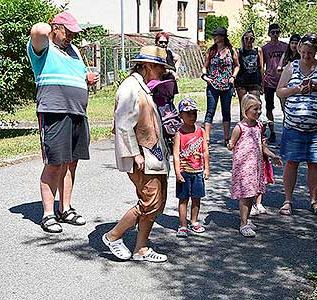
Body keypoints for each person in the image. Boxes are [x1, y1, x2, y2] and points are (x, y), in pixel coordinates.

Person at [27, 11, 99, 233]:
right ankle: (48, 214)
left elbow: (76, 73)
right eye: (67, 31)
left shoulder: (74, 50)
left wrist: (86, 78)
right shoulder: (43, 48)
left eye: (74, 33)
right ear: (55, 28)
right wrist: (51, 27)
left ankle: (64, 208)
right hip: (54, 111)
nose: (71, 37)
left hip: (77, 112)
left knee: (71, 162)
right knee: (55, 163)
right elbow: (37, 30)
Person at [102, 46, 172, 262]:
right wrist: (134, 154)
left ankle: (141, 248)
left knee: (157, 202)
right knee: (149, 201)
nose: (163, 72)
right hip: (142, 156)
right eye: (160, 67)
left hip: (153, 155)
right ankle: (113, 236)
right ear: (148, 66)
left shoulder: (142, 87)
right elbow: (123, 124)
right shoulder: (130, 88)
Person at [276, 33, 317, 217]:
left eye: (309, 53)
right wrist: (296, 89)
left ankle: (314, 201)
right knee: (291, 163)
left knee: (314, 164)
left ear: (316, 51)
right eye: (303, 52)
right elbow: (280, 92)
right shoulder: (291, 67)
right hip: (293, 126)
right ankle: (287, 201)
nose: (305, 56)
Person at [227, 94, 282, 237]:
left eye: (260, 109)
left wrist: (273, 155)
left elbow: (262, 146)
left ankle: (247, 219)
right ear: (246, 109)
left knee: (252, 194)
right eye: (255, 109)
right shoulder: (240, 127)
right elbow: (231, 144)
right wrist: (230, 144)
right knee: (246, 195)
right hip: (244, 167)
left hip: (256, 166)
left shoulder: (259, 126)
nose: (258, 112)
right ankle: (243, 224)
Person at [173, 98, 210, 238]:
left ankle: (194, 221)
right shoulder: (179, 134)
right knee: (183, 199)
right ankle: (182, 225)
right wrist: (177, 171)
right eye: (188, 113)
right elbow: (176, 154)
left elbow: (205, 150)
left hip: (198, 171)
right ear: (181, 115)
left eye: (194, 113)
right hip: (184, 171)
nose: (192, 116)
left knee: (197, 197)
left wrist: (207, 168)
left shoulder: (200, 131)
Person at [201, 26, 240, 146]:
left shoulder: (231, 50)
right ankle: (206, 138)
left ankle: (226, 138)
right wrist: (205, 76)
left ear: (222, 37)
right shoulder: (211, 51)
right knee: (210, 111)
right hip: (213, 85)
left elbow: (237, 65)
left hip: (227, 86)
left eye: (216, 35)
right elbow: (205, 66)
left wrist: (233, 76)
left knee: (226, 111)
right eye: (214, 35)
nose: (214, 37)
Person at [262, 23, 287, 143]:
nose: (275, 35)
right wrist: (262, 82)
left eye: (277, 32)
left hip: (283, 81)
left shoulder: (285, 47)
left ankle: (287, 131)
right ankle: (272, 132)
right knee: (269, 108)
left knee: (285, 108)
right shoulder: (265, 48)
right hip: (269, 82)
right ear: (269, 33)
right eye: (273, 32)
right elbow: (262, 66)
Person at [235, 29, 264, 119]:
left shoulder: (257, 50)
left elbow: (261, 68)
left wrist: (262, 83)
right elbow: (236, 66)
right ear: (243, 39)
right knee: (243, 107)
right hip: (242, 82)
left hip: (255, 81)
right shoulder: (239, 51)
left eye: (251, 39)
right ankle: (243, 129)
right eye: (246, 38)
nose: (248, 41)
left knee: (256, 105)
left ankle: (255, 129)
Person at [250, 116, 274, 216]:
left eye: (266, 125)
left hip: (262, 163)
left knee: (261, 183)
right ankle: (250, 205)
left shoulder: (263, 137)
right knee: (251, 184)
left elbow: (265, 149)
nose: (265, 127)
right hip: (252, 164)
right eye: (263, 125)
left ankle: (259, 203)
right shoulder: (251, 135)